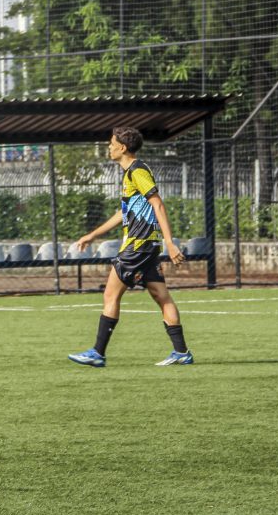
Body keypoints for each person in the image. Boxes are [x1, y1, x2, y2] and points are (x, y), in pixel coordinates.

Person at [68, 126, 191, 367]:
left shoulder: (137, 171)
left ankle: (97, 353)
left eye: (112, 144)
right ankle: (181, 352)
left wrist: (170, 243)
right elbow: (123, 212)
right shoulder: (129, 174)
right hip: (146, 246)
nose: (109, 147)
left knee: (110, 294)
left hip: (138, 245)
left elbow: (158, 204)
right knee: (161, 295)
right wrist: (93, 235)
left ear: (122, 148)